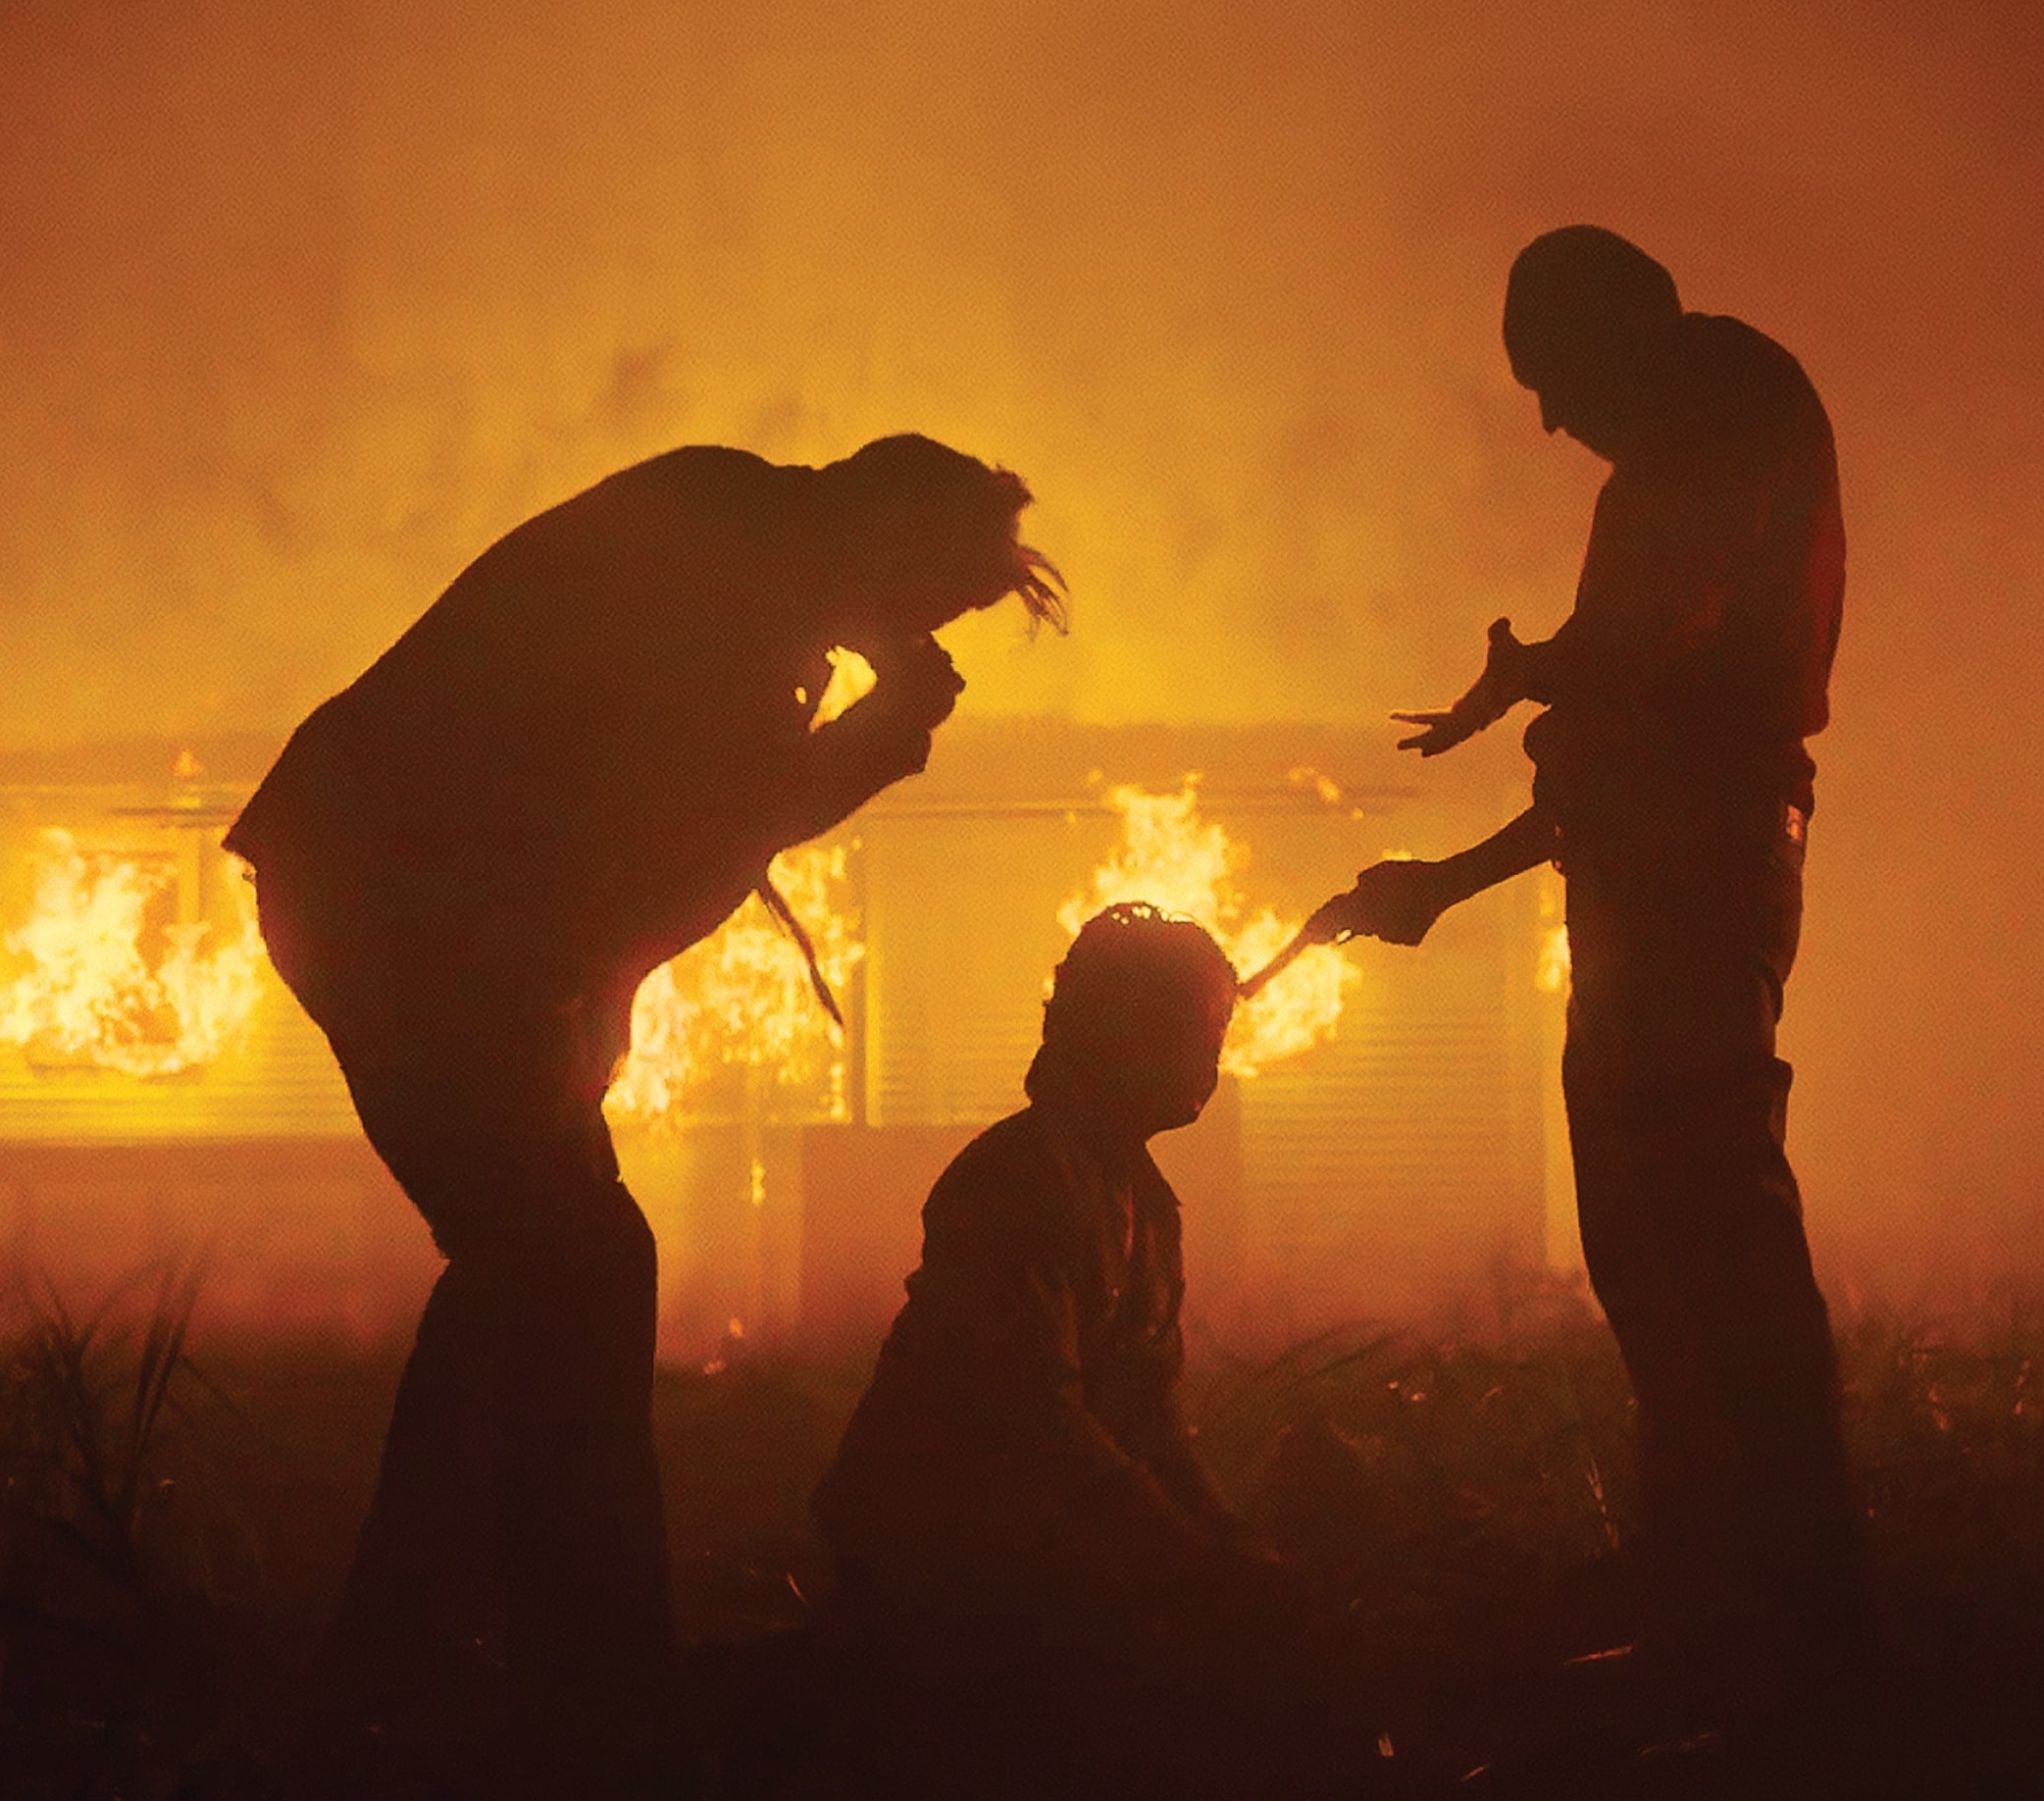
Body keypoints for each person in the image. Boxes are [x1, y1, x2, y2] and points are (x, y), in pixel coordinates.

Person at [225, 436, 1060, 1766]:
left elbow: (665, 840)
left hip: (441, 924)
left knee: (539, 1273)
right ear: (882, 538)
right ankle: (558, 1671)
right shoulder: (724, 581)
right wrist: (875, 743)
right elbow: (699, 834)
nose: (906, 633)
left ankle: (464, 1654)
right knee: (571, 1260)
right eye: (921, 603)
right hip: (403, 915)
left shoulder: (744, 557)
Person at [1319, 225, 1869, 1688]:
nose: (1552, 421)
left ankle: (1788, 1589)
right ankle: (1716, 1561)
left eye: (1552, 378)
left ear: (1622, 330)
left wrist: (1542, 674)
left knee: (1708, 1219)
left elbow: (1658, 643)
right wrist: (1453, 875)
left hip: (1697, 872)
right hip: (1658, 869)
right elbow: (1628, 731)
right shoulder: (1700, 435)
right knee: (1650, 1222)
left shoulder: (1716, 415)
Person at [811, 903, 1322, 1796]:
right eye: (1200, 1029)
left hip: (1038, 1536)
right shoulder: (1015, 1184)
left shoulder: (1147, 1208)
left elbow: (1150, 1423)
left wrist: (1234, 1546)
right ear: (1128, 1035)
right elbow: (1038, 1422)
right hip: (935, 1548)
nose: (1214, 1058)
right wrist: (1186, 1562)